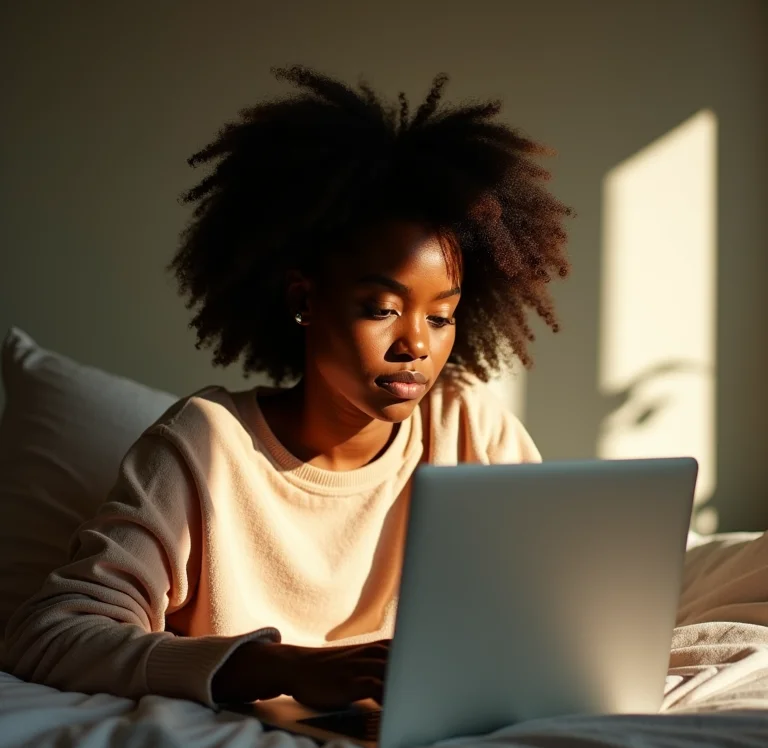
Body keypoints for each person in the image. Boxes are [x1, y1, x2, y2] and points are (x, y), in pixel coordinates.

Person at [4, 67, 572, 711]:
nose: (417, 344)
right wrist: (282, 669)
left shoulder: (468, 426)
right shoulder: (205, 446)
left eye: (441, 317)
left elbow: (556, 607)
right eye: (381, 308)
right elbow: (47, 633)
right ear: (306, 299)